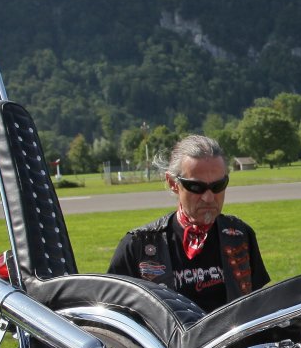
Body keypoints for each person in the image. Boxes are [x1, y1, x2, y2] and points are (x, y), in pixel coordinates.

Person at [108, 134, 269, 312]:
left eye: (218, 186)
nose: (209, 198)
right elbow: (113, 313)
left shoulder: (240, 235)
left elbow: (259, 307)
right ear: (173, 183)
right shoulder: (139, 245)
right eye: (196, 187)